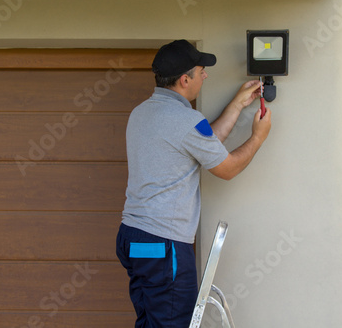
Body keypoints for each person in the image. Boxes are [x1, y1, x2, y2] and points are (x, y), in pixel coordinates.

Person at [116, 39, 271, 328]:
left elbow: (201, 143)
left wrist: (236, 105)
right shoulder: (185, 120)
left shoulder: (142, 113)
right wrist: (258, 137)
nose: (206, 75)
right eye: (201, 71)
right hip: (164, 245)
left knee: (151, 322)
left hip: (134, 240)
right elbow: (226, 168)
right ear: (185, 80)